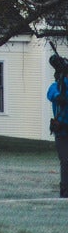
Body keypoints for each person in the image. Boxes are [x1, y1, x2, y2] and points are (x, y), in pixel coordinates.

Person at [48, 52, 67, 199]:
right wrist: (58, 97)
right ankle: (65, 189)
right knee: (65, 160)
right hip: (61, 130)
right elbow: (52, 93)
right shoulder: (56, 87)